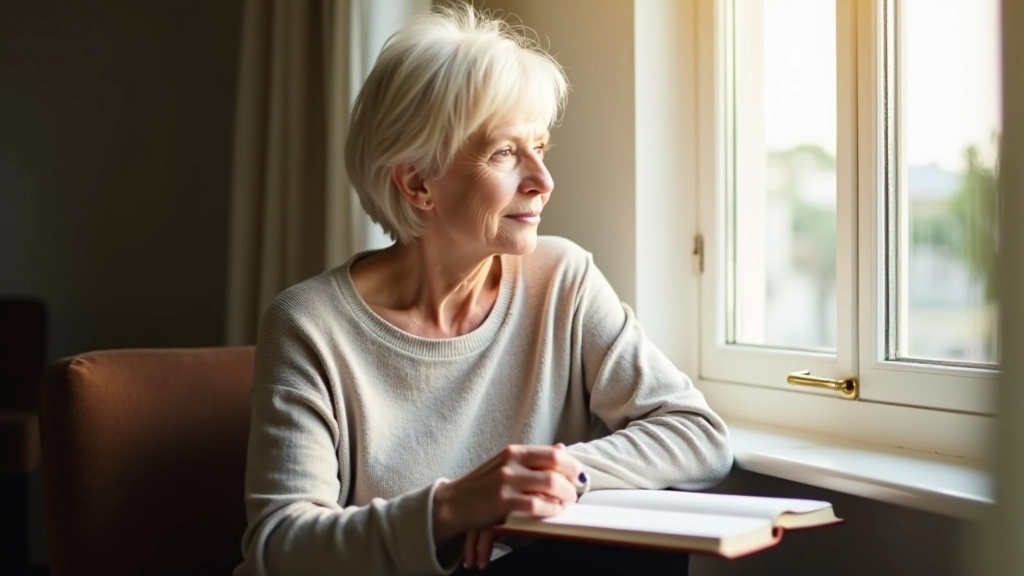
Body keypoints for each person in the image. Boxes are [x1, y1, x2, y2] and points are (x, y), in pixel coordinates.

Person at [234, 4, 732, 575]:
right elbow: (278, 546)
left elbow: (698, 435)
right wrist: (455, 507)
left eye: (540, 147)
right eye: (504, 152)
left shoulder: (562, 279)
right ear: (418, 183)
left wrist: (540, 480)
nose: (543, 182)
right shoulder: (308, 325)